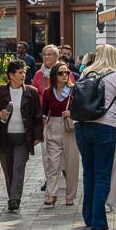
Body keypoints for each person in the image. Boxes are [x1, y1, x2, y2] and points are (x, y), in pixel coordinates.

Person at [74, 44, 116, 230]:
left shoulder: (85, 73)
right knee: (103, 173)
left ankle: (87, 216)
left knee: (89, 172)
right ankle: (98, 220)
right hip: (104, 128)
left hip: (81, 126)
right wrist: (115, 119)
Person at [0, 59, 43, 212]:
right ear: (11, 75)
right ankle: (12, 196)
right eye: (20, 72)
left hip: (23, 138)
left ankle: (15, 198)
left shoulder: (31, 92)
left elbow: (38, 116)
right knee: (8, 169)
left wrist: (38, 135)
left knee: (19, 166)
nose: (23, 75)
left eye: (24, 72)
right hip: (4, 137)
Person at [41, 63, 79, 206]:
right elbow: (44, 112)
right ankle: (51, 194)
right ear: (54, 75)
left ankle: (70, 196)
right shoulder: (49, 92)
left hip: (70, 127)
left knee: (71, 164)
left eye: (66, 73)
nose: (64, 75)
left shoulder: (74, 90)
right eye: (61, 73)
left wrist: (72, 113)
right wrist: (42, 128)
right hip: (53, 127)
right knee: (53, 163)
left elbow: (82, 109)